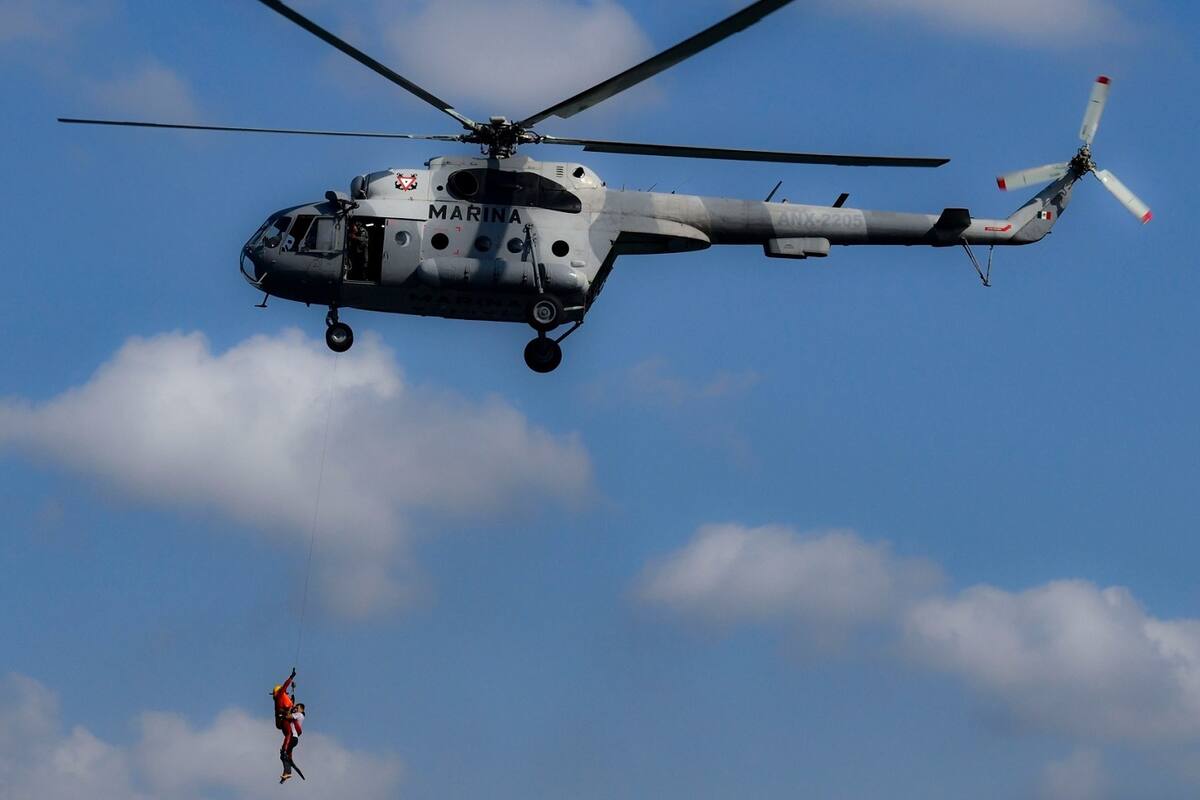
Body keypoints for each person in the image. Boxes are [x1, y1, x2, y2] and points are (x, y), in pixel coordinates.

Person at [280, 703, 306, 783]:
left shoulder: (299, 715)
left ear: (301, 709)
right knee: (284, 756)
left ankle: (288, 771)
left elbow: (288, 716)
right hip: (294, 739)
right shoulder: (297, 715)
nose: (296, 709)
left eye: (297, 707)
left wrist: (290, 708)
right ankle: (287, 773)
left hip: (292, 738)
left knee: (283, 753)